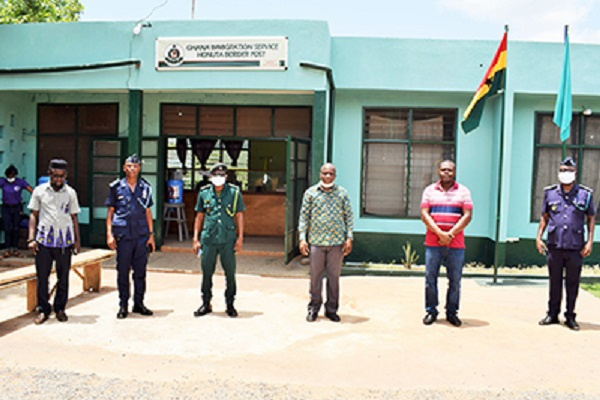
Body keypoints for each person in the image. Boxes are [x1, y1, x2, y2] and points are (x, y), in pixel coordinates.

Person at [536, 157, 594, 331]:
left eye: (568, 171)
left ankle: (570, 316)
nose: (565, 174)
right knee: (554, 282)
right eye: (562, 170)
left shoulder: (585, 194)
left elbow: (590, 218)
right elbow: (544, 217)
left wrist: (590, 241)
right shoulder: (550, 193)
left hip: (576, 246)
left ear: (575, 174)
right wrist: (539, 237)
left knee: (572, 283)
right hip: (555, 245)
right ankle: (552, 314)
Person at [27, 159, 80, 325]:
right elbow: (34, 215)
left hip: (65, 242)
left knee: (63, 277)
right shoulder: (39, 191)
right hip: (43, 241)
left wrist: (77, 241)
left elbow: (74, 217)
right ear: (50, 173)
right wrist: (31, 238)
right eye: (55, 176)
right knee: (42, 277)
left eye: (62, 176)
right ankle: (43, 309)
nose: (58, 179)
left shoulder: (70, 193)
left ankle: (60, 308)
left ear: (66, 176)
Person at [420, 160, 473, 327]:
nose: (447, 173)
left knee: (455, 280)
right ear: (438, 171)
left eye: (450, 170)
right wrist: (439, 233)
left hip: (455, 244)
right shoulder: (429, 191)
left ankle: (452, 312)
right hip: (433, 243)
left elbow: (467, 215)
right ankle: (431, 311)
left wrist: (450, 234)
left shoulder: (463, 192)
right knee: (430, 279)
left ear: (454, 172)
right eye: (443, 170)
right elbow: (424, 214)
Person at [299, 163, 354, 323]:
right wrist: (303, 238)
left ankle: (331, 309)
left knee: (333, 278)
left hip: (336, 243)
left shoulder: (342, 194)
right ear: (320, 174)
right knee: (315, 277)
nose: (328, 176)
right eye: (325, 173)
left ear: (335, 175)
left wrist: (349, 237)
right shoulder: (310, 194)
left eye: (331, 173)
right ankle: (313, 308)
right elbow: (304, 217)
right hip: (316, 242)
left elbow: (348, 217)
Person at [106, 154, 156, 319]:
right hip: (124, 236)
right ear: (124, 168)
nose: (132, 169)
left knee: (140, 272)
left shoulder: (145, 188)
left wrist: (151, 235)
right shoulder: (116, 187)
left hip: (141, 236)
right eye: (129, 166)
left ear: (139, 168)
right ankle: (123, 305)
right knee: (123, 272)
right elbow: (111, 212)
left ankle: (139, 304)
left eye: (135, 166)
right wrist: (109, 234)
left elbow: (148, 212)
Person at [192, 163, 245, 318]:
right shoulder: (204, 193)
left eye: (221, 175)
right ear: (210, 177)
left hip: (228, 239)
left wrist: (240, 238)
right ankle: (206, 303)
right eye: (215, 175)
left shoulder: (234, 193)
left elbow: (239, 215)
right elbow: (199, 216)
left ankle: (230, 304)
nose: (218, 179)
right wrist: (196, 239)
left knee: (230, 273)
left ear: (226, 177)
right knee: (207, 273)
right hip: (209, 238)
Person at [0, 165, 33, 257]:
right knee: (7, 228)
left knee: (15, 228)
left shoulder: (20, 182)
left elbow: (31, 190)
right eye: (9, 176)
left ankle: (15, 249)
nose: (11, 178)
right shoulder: (3, 181)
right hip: (6, 207)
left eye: (12, 176)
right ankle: (7, 249)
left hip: (17, 207)